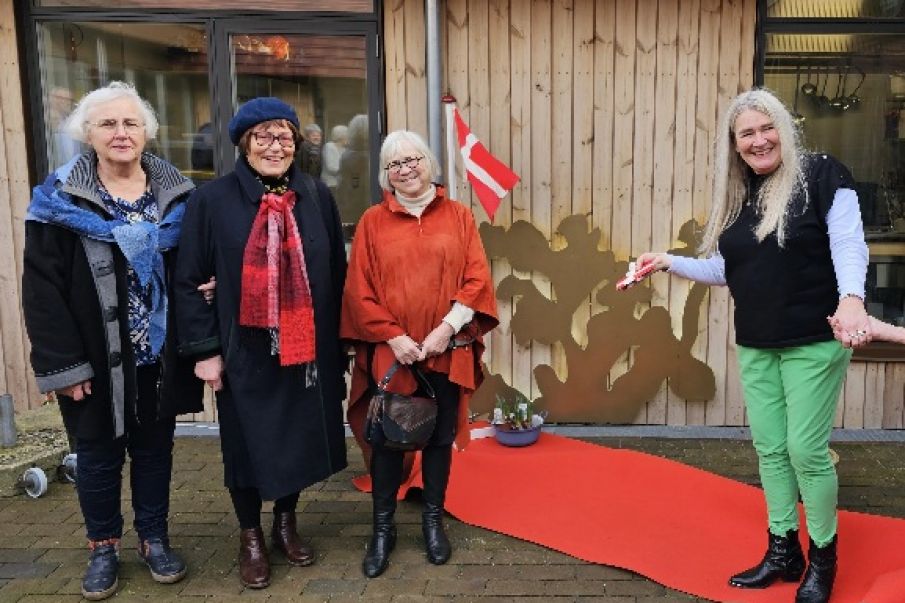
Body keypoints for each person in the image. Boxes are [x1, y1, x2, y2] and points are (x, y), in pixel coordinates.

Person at [636, 88, 869, 603]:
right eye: (747, 133)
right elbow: (727, 268)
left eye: (767, 128)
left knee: (805, 450)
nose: (759, 140)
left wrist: (852, 298)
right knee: (769, 450)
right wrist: (669, 261)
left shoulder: (823, 175)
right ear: (735, 144)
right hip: (759, 342)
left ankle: (823, 558)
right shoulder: (740, 196)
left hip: (814, 337)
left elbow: (849, 243)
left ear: (784, 129)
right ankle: (783, 551)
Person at [22, 81, 203, 601]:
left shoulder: (180, 199)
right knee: (98, 453)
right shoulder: (57, 201)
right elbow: (42, 291)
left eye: (130, 123)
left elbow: (193, 267)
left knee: (154, 451)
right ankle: (103, 546)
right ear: (88, 134)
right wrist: (65, 366)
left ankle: (153, 538)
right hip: (93, 359)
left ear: (146, 132)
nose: (120, 133)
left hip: (157, 356)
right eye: (108, 123)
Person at [174, 97, 348, 589]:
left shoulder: (316, 195)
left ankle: (285, 523)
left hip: (303, 347)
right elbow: (189, 280)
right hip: (242, 349)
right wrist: (205, 352)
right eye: (264, 137)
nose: (276, 146)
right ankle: (250, 535)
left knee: (295, 437)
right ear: (244, 144)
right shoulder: (212, 201)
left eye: (285, 136)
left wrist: (340, 345)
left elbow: (336, 272)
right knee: (246, 445)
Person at [341, 130, 498, 578]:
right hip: (394, 353)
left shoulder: (459, 216)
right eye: (395, 164)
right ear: (386, 176)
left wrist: (447, 329)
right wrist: (393, 337)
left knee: (437, 437)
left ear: (428, 162)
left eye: (413, 160)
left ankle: (433, 522)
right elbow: (359, 290)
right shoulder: (373, 221)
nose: (406, 169)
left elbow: (476, 279)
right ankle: (382, 531)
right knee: (387, 439)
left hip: (446, 349)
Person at [320, 124, 348, 192]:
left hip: (341, 184)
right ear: (341, 137)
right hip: (331, 184)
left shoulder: (344, 149)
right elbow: (331, 167)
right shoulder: (329, 147)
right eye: (347, 136)